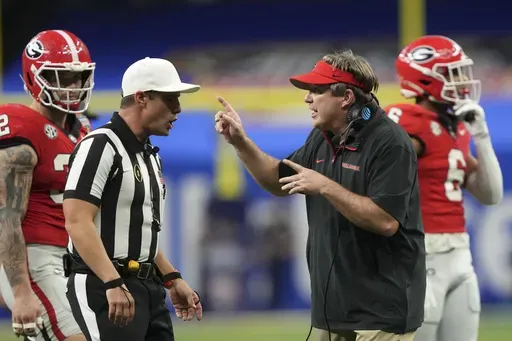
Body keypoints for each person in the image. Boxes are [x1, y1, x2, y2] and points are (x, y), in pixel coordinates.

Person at [214, 50, 425, 341]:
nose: (307, 98)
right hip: (334, 309)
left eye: (317, 90)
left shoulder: (390, 142)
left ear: (346, 97)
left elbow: (386, 221)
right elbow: (278, 182)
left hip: (380, 314)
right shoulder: (322, 137)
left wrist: (324, 185)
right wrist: (240, 142)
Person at [62, 57, 203, 341]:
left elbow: (140, 230)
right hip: (103, 286)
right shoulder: (100, 145)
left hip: (145, 287)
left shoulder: (148, 154)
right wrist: (111, 281)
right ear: (141, 97)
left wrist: (171, 278)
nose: (178, 109)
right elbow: (77, 221)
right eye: (170, 98)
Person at [384, 35, 503, 341]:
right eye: (453, 73)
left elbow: (491, 195)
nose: (463, 80)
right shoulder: (406, 121)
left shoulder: (459, 125)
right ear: (425, 79)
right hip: (421, 253)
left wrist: (482, 135)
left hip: (460, 255)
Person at [0, 30, 94, 341]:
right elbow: (6, 216)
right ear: (33, 76)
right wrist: (21, 291)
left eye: (78, 77)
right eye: (60, 77)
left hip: (71, 260)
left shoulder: (81, 129)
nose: (72, 87)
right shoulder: (20, 126)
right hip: (34, 256)